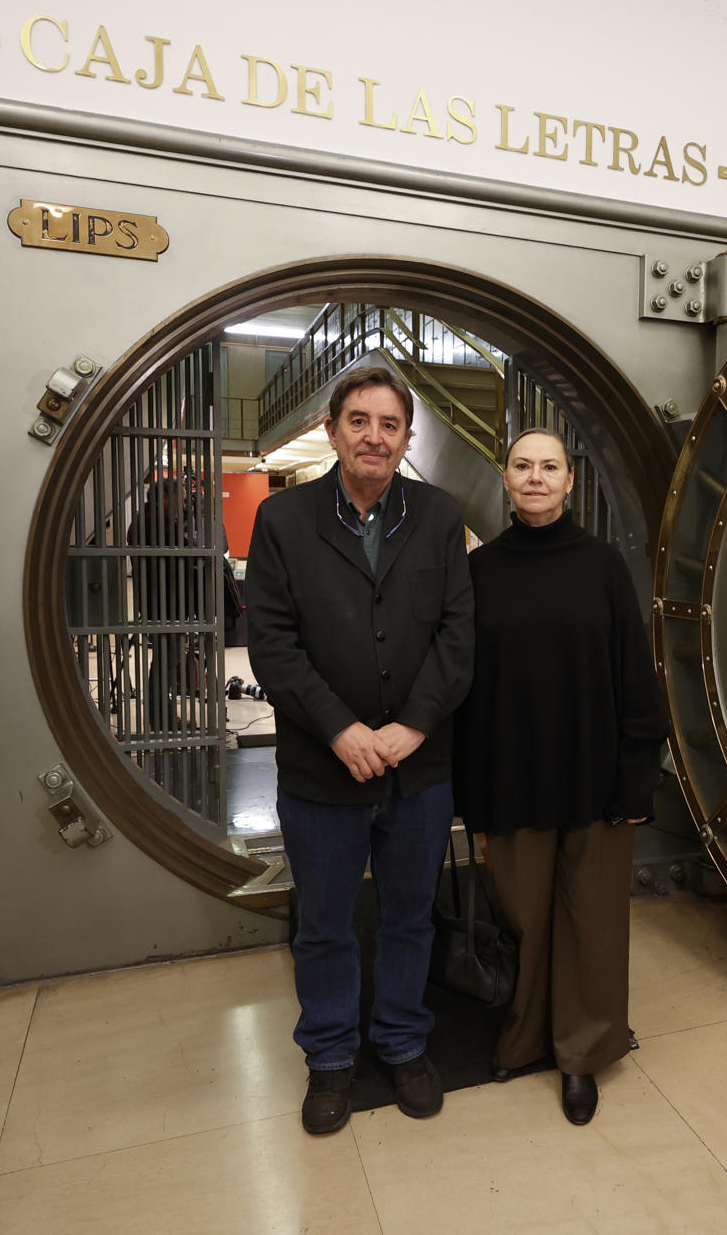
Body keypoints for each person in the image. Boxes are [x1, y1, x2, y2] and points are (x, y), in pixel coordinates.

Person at [246, 364, 474, 1135]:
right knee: (325, 922)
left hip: (420, 770)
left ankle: (404, 1043)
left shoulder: (441, 517)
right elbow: (271, 645)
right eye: (359, 420)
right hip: (320, 767)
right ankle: (332, 1059)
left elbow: (457, 634)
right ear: (333, 428)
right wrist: (341, 728)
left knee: (411, 916)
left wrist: (411, 727)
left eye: (389, 424)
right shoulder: (283, 522)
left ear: (407, 437)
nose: (374, 436)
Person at [454, 428, 667, 1126]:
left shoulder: (602, 566)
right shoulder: (481, 573)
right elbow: (466, 688)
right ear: (506, 479)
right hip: (512, 778)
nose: (537, 477)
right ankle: (524, 1038)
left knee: (594, 924)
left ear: (570, 481)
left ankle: (581, 1056)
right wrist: (468, 787)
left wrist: (639, 778)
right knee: (525, 919)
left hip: (596, 779)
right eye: (524, 466)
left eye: (550, 467)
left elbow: (636, 678)